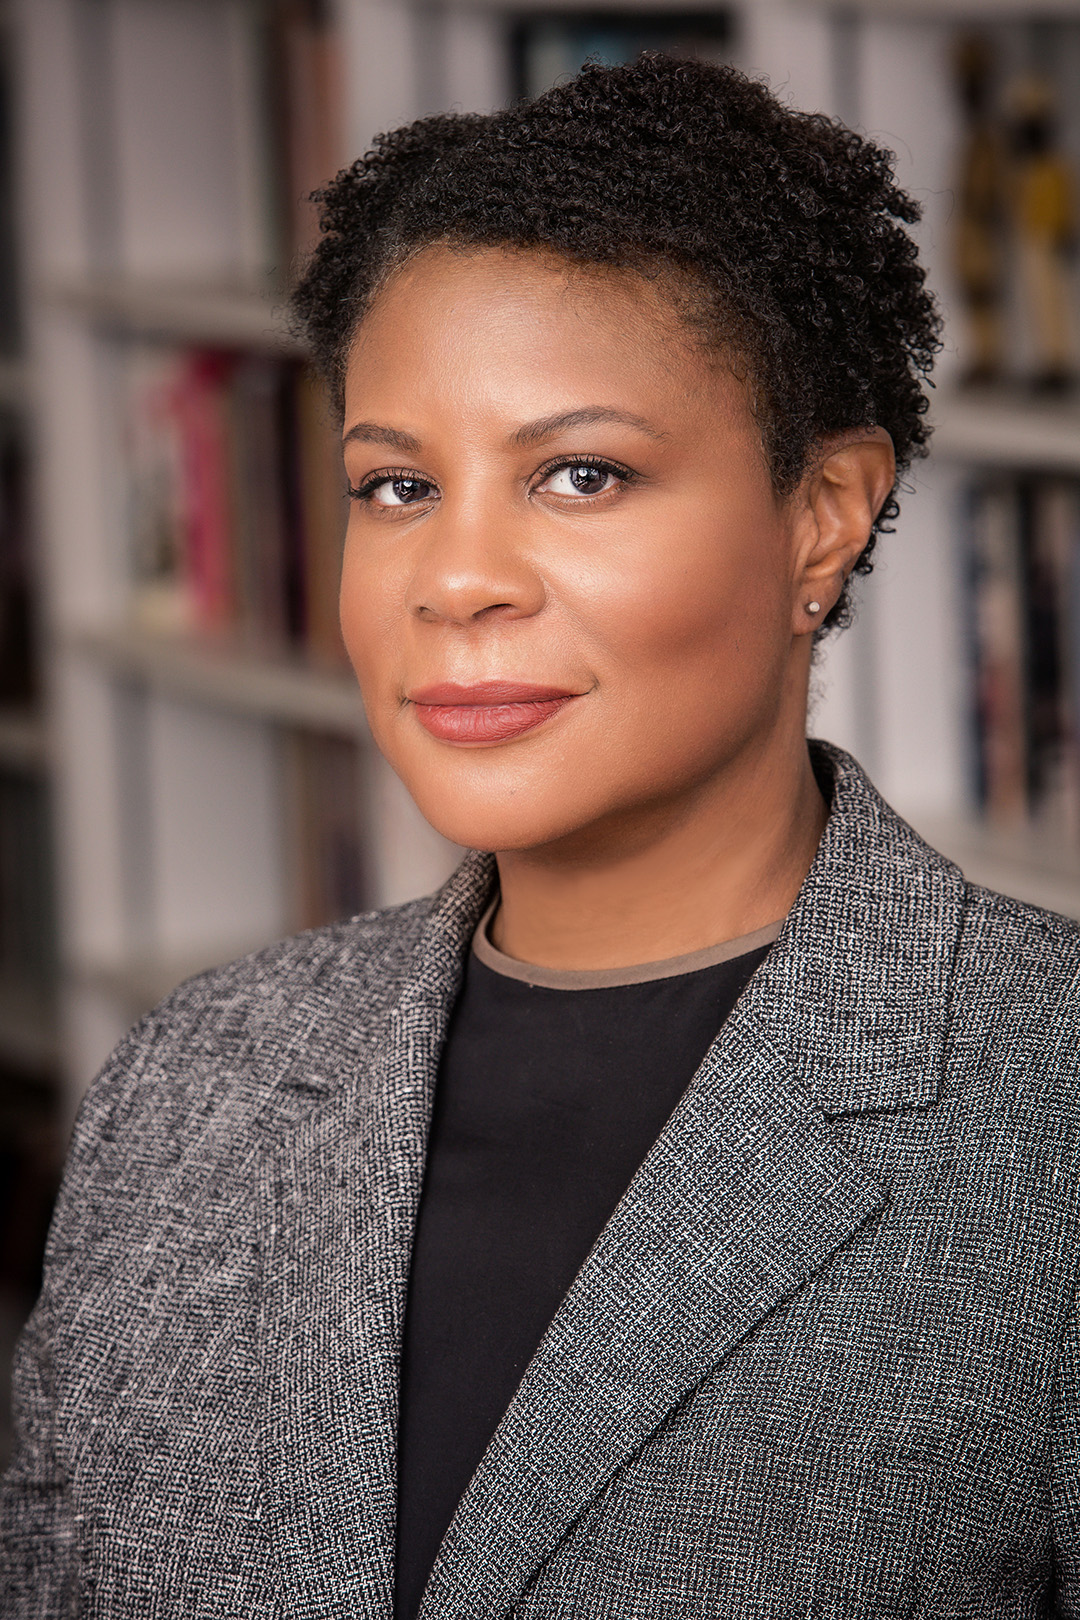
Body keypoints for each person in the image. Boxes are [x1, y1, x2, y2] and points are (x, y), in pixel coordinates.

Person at [3, 53, 1079, 1619]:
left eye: (580, 474)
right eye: (396, 486)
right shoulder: (194, 1081)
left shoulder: (1049, 1108)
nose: (457, 578)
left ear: (825, 511)